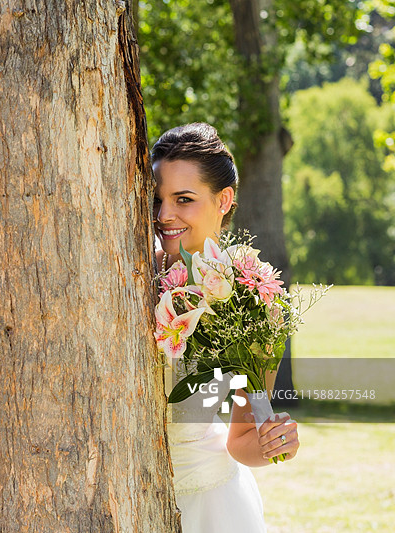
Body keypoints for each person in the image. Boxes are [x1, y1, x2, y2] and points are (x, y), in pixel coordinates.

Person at [151, 123, 300, 532]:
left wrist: (273, 443)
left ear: (224, 200)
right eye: (158, 199)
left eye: (184, 199)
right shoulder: (129, 272)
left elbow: (242, 439)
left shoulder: (259, 303)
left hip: (210, 503)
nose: (165, 216)